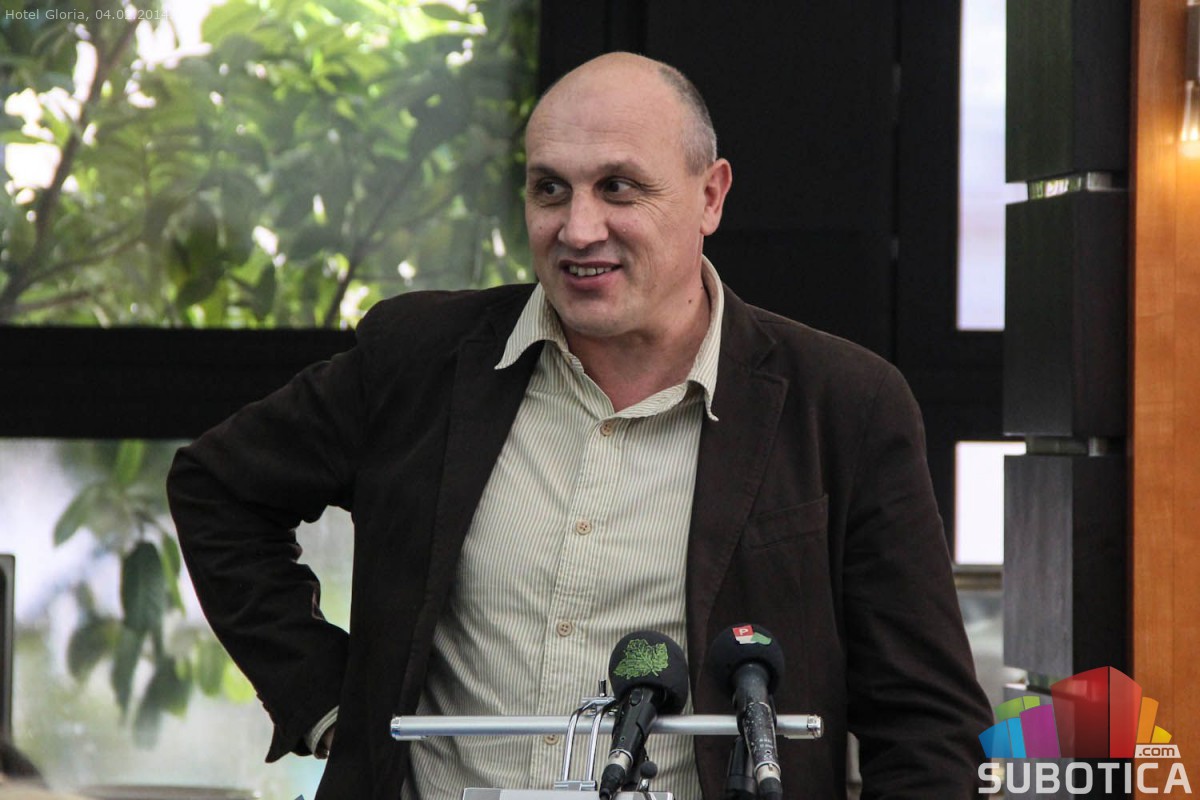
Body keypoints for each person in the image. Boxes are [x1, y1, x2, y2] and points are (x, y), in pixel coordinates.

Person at [168, 52, 993, 798]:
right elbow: (217, 488)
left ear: (710, 196)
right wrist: (330, 704)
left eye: (619, 187)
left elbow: (925, 722)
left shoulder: (841, 403)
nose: (578, 228)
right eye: (549, 188)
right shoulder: (420, 360)